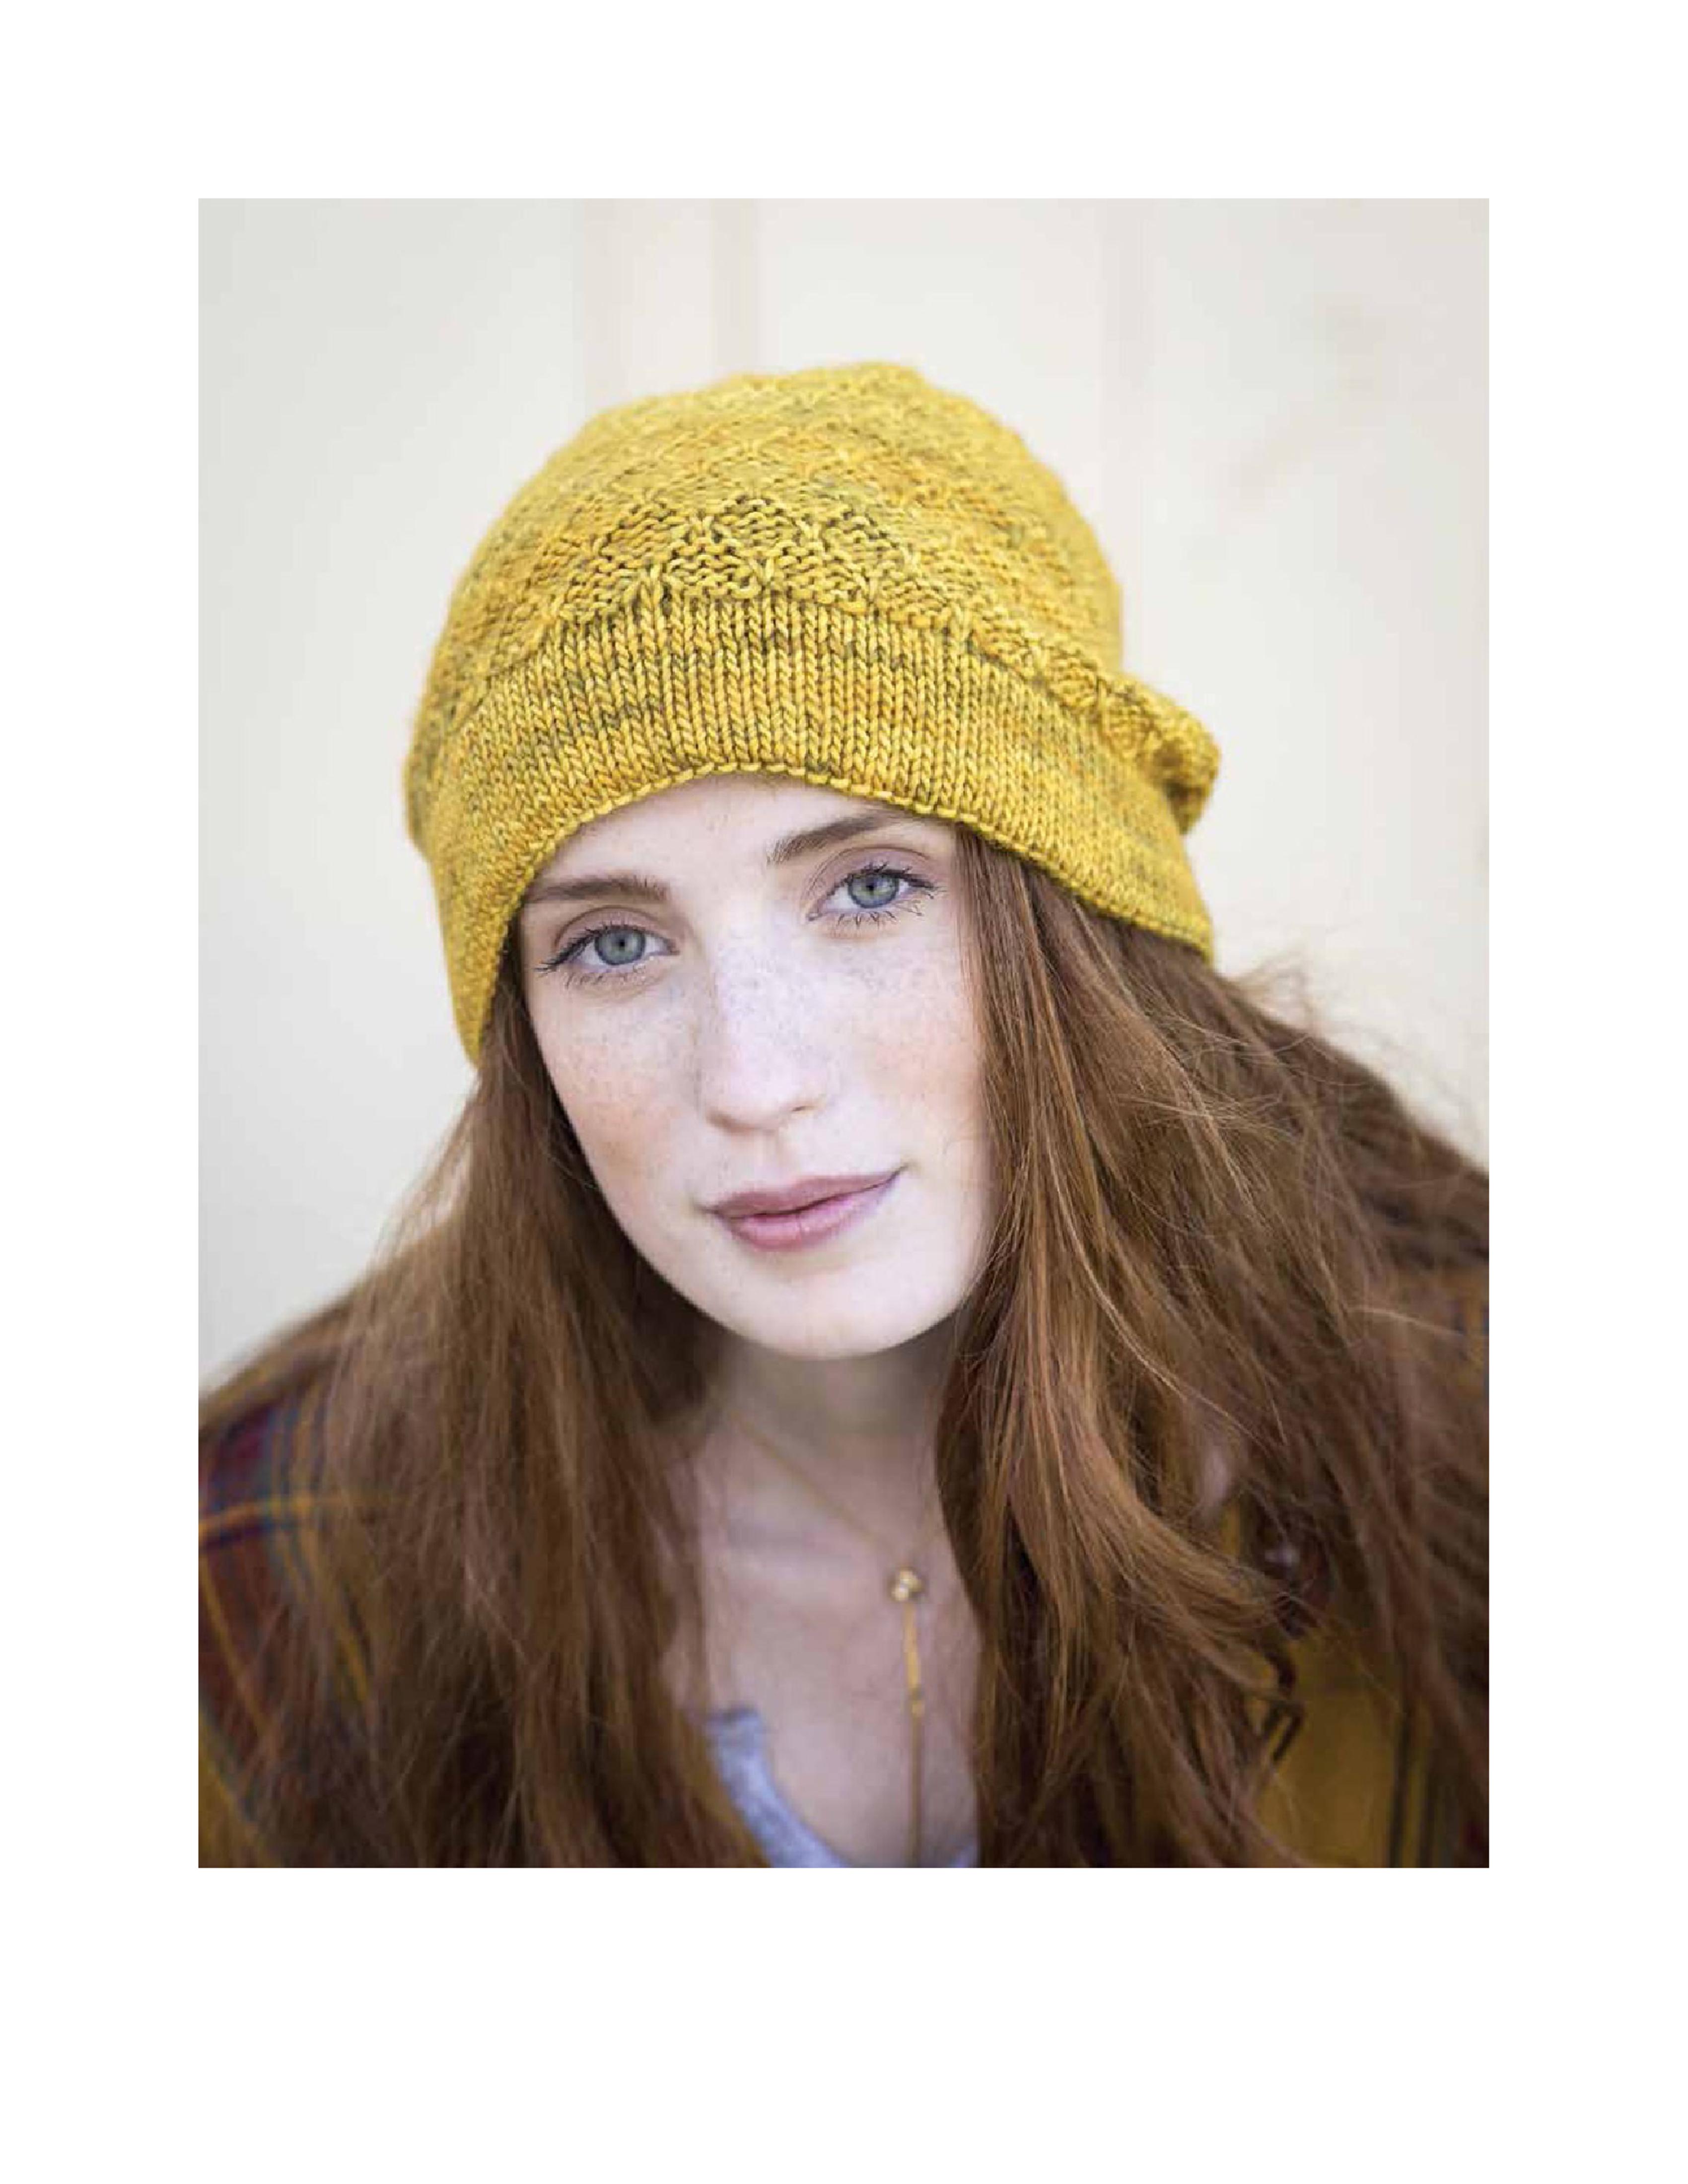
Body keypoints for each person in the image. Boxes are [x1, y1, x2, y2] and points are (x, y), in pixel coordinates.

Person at [200, 359, 1487, 1867]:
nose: (754, 1084)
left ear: (1082, 914)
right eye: (613, 945)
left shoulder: (1460, 1435)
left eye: (871, 887)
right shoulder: (273, 1566)